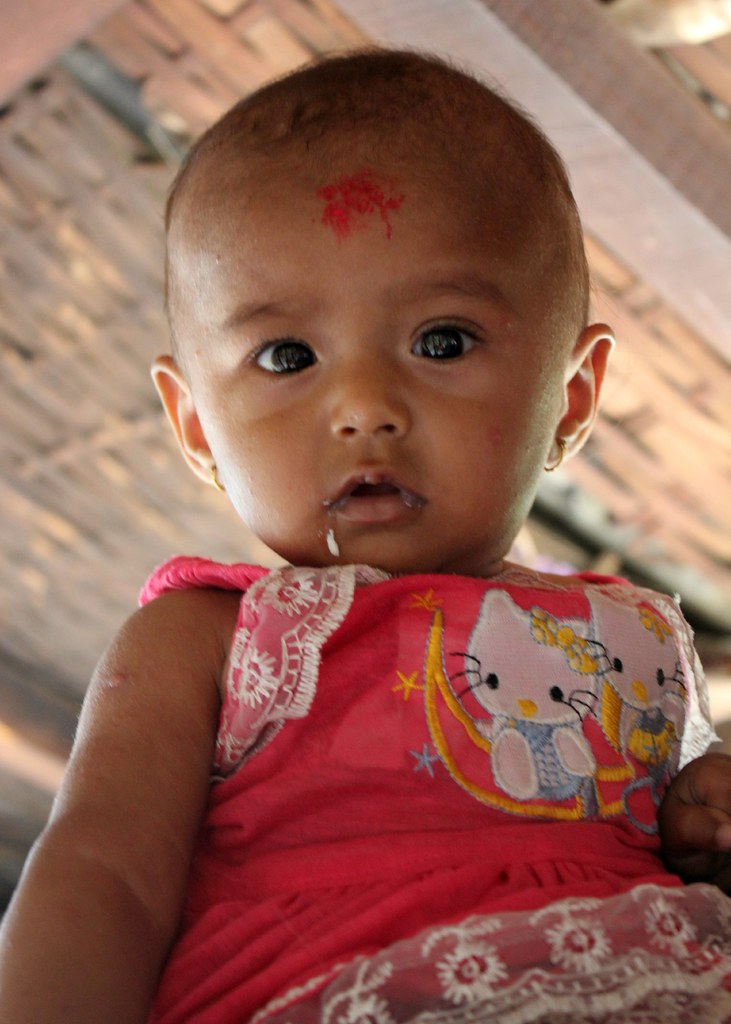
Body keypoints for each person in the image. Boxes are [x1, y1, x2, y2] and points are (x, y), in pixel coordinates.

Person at [2, 47, 731, 1024]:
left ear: (569, 395)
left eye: (440, 340)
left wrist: (702, 813)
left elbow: (677, 826)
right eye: (286, 355)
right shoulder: (209, 637)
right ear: (194, 428)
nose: (363, 405)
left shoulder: (639, 634)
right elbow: (101, 873)